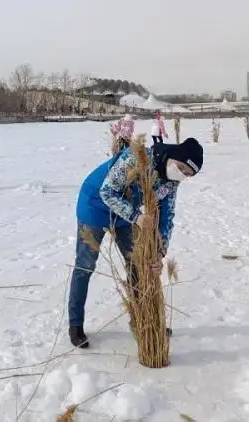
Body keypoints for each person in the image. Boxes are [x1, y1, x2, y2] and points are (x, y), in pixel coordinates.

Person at [68, 137, 204, 348]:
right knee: (85, 265)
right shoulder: (137, 159)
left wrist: (160, 252)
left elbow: (167, 217)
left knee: (138, 265)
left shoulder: (171, 182)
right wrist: (136, 217)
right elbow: (107, 191)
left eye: (188, 174)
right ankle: (75, 324)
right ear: (174, 157)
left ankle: (141, 319)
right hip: (95, 205)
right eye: (181, 168)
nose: (182, 175)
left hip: (126, 213)